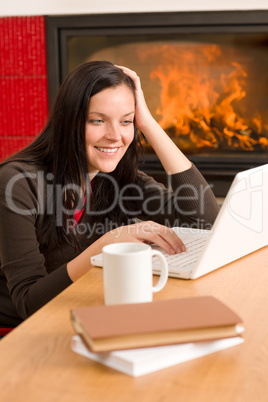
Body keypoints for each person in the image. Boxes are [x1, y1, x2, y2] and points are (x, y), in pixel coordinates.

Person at [0, 60, 220, 330]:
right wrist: (108, 242)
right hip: (23, 335)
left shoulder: (116, 177)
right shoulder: (18, 182)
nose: (115, 136)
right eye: (98, 120)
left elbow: (204, 219)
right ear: (69, 121)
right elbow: (28, 303)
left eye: (126, 121)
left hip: (85, 314)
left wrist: (148, 124)